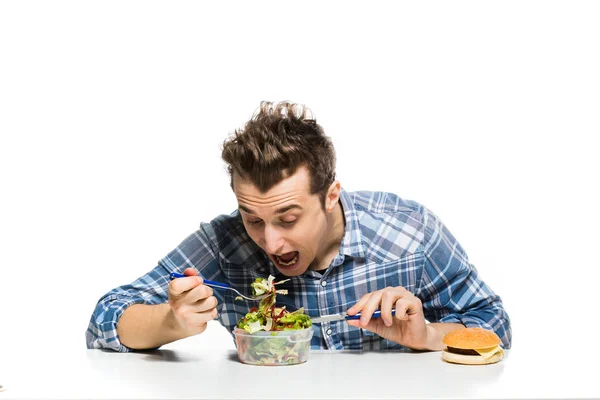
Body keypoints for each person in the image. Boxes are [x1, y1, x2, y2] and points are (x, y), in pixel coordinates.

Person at [86, 101, 512, 352]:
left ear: (330, 195)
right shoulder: (222, 244)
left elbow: (495, 324)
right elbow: (104, 318)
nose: (270, 241)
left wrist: (430, 334)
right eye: (253, 218)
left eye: (288, 219)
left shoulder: (409, 234)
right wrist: (172, 321)